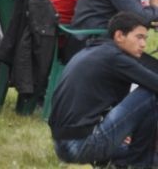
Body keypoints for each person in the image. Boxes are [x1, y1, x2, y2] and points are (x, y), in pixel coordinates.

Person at [50, 12, 158, 168]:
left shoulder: (97, 50)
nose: (143, 45)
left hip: (63, 146)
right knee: (149, 94)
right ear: (120, 35)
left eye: (145, 39)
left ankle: (129, 160)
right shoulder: (116, 58)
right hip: (82, 145)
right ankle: (140, 163)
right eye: (139, 37)